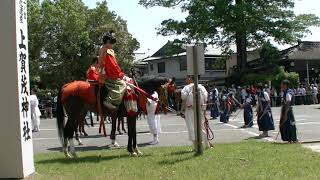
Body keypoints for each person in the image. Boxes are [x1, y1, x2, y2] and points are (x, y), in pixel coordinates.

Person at [98, 31, 132, 110]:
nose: (113, 45)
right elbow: (113, 66)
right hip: (108, 75)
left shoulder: (102, 49)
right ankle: (109, 101)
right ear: (107, 42)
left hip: (104, 73)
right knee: (123, 85)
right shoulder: (107, 51)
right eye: (112, 43)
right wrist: (121, 75)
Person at [181, 76, 212, 149]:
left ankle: (197, 147)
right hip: (199, 109)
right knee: (201, 127)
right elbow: (205, 98)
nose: (185, 79)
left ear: (190, 78)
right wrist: (204, 111)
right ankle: (206, 144)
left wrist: (182, 110)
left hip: (191, 110)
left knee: (192, 128)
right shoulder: (201, 87)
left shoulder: (186, 87)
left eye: (187, 77)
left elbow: (183, 98)